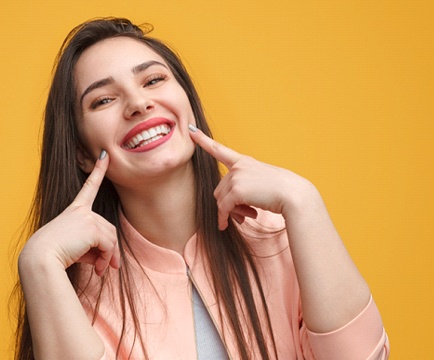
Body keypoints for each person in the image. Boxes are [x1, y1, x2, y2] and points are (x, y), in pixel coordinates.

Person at [14, 17, 389, 359]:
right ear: (81, 152)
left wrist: (304, 200)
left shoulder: (283, 237)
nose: (139, 103)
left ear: (188, 105)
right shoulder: (75, 290)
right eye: (104, 100)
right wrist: (38, 263)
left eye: (154, 80)